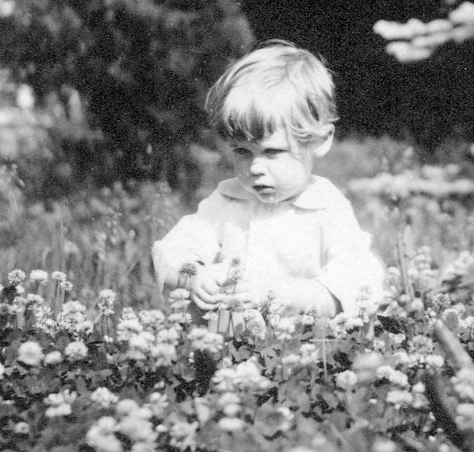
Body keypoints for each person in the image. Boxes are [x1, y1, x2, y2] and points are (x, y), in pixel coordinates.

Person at [152, 40, 385, 322]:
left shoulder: (327, 209)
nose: (255, 167)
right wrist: (195, 276)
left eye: (272, 152)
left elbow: (356, 284)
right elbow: (175, 251)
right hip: (226, 350)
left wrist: (284, 295)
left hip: (304, 353)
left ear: (319, 141)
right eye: (242, 152)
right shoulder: (226, 202)